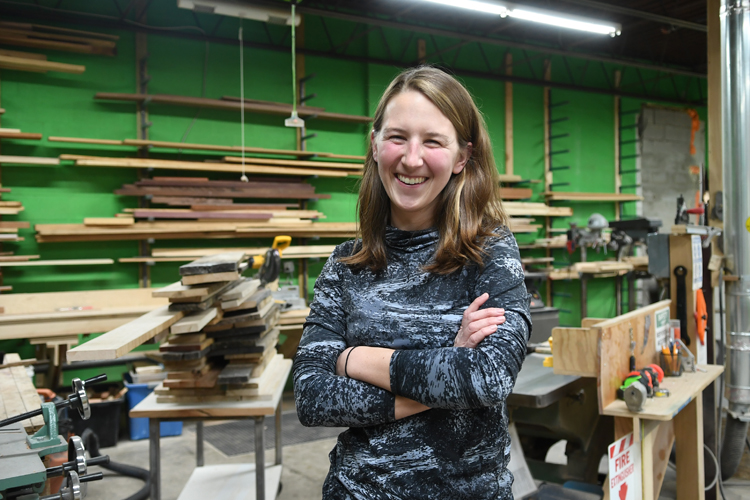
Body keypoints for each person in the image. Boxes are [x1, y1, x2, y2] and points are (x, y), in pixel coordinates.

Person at [293, 66, 531, 500]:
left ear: (463, 158)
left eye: (433, 141)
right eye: (398, 137)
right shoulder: (346, 263)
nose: (412, 158)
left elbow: (489, 377)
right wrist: (446, 365)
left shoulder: (490, 253)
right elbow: (310, 397)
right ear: (376, 145)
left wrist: (352, 358)